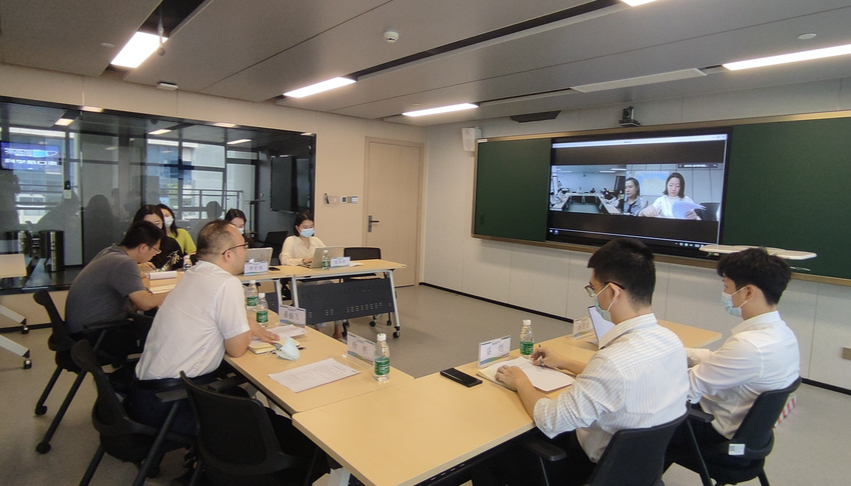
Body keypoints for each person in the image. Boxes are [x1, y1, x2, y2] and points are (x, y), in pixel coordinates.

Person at [477, 238, 688, 486]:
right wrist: (564, 362)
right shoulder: (671, 342)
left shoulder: (612, 361)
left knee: (490, 457)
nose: (594, 296)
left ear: (613, 292)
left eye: (594, 289)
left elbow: (551, 419)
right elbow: (622, 381)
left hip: (589, 473)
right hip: (640, 472)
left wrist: (521, 381)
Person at [129, 221, 326, 482]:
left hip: (146, 393)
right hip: (170, 403)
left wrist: (244, 322)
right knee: (287, 433)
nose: (247, 251)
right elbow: (236, 349)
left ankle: (205, 468)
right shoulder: (226, 284)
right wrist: (244, 325)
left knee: (242, 396)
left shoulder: (194, 274)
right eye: (244, 246)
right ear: (228, 254)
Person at [666, 248, 799, 466]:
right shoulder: (782, 334)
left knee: (639, 413)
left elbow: (685, 389)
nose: (725, 293)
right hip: (750, 438)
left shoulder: (749, 346)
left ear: (748, 292)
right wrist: (677, 352)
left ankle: (635, 477)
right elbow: (719, 360)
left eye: (727, 287)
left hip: (718, 438)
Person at [65, 221, 167, 360]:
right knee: (162, 333)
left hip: (79, 332)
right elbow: (145, 303)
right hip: (94, 335)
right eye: (156, 250)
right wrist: (178, 292)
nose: (155, 254)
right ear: (143, 247)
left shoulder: (110, 252)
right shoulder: (124, 262)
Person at [280, 211, 345, 340]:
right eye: (305, 227)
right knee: (317, 292)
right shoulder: (291, 241)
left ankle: (338, 331)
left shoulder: (316, 240)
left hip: (317, 278)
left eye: (311, 226)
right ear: (297, 227)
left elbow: (328, 254)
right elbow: (284, 260)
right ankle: (319, 330)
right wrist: (304, 261)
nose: (309, 229)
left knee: (335, 290)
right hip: (300, 281)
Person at [132, 205, 183, 270]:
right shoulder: (132, 245)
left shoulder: (171, 243)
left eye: (157, 224)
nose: (153, 228)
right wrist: (137, 267)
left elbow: (179, 268)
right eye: (148, 224)